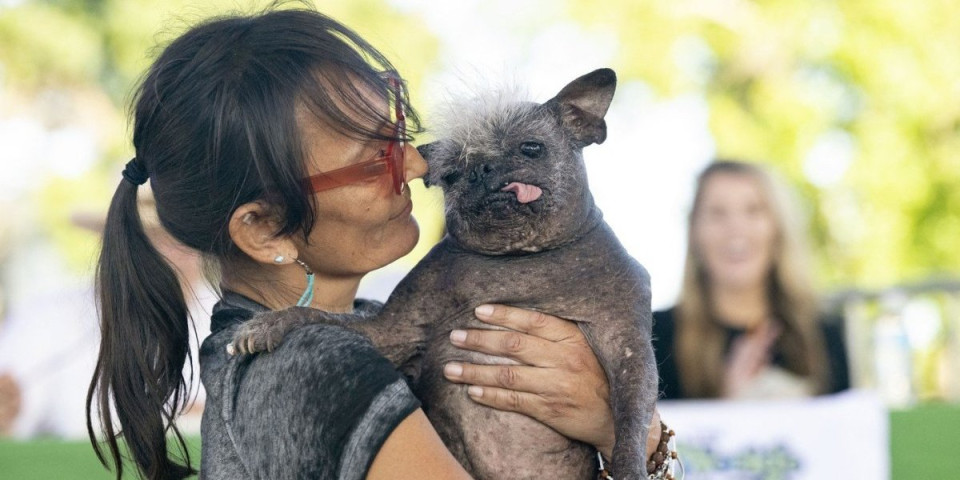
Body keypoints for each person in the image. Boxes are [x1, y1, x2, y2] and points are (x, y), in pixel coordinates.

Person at [86, 8, 670, 480]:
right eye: (374, 163)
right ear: (264, 230)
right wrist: (631, 438)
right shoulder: (308, 365)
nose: (419, 164)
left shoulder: (346, 334)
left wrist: (620, 428)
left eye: (400, 139)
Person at [653, 160, 850, 400]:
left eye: (753, 210)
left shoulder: (826, 332)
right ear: (694, 231)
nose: (736, 228)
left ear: (778, 229)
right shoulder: (654, 339)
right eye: (717, 213)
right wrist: (731, 408)